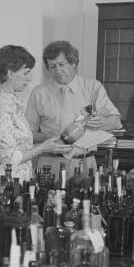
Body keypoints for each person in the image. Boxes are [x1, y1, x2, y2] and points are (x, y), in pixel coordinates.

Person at [25, 40, 121, 177]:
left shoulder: (93, 88)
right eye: (52, 66)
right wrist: (50, 137)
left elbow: (116, 121)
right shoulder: (38, 93)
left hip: (84, 163)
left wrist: (102, 122)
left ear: (74, 63)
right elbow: (28, 134)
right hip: (49, 164)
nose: (57, 70)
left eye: (61, 64)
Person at [0, 45, 70, 193]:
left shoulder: (12, 102)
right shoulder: (1, 106)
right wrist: (44, 147)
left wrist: (48, 139)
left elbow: (19, 144)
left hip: (17, 181)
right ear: (10, 73)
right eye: (26, 73)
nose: (29, 79)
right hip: (4, 185)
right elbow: (11, 157)